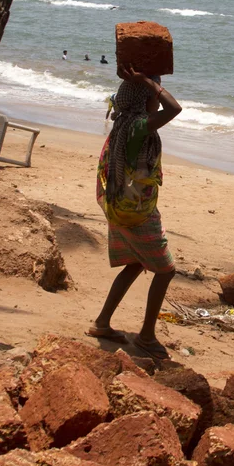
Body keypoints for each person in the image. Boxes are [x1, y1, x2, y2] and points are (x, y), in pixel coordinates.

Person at [90, 67, 182, 359]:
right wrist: (147, 81)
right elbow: (174, 108)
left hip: (118, 208)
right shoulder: (138, 126)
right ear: (145, 99)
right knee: (166, 271)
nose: (156, 99)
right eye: (153, 93)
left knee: (135, 263)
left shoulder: (122, 125)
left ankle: (102, 323)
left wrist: (146, 82)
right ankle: (146, 336)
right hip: (137, 215)